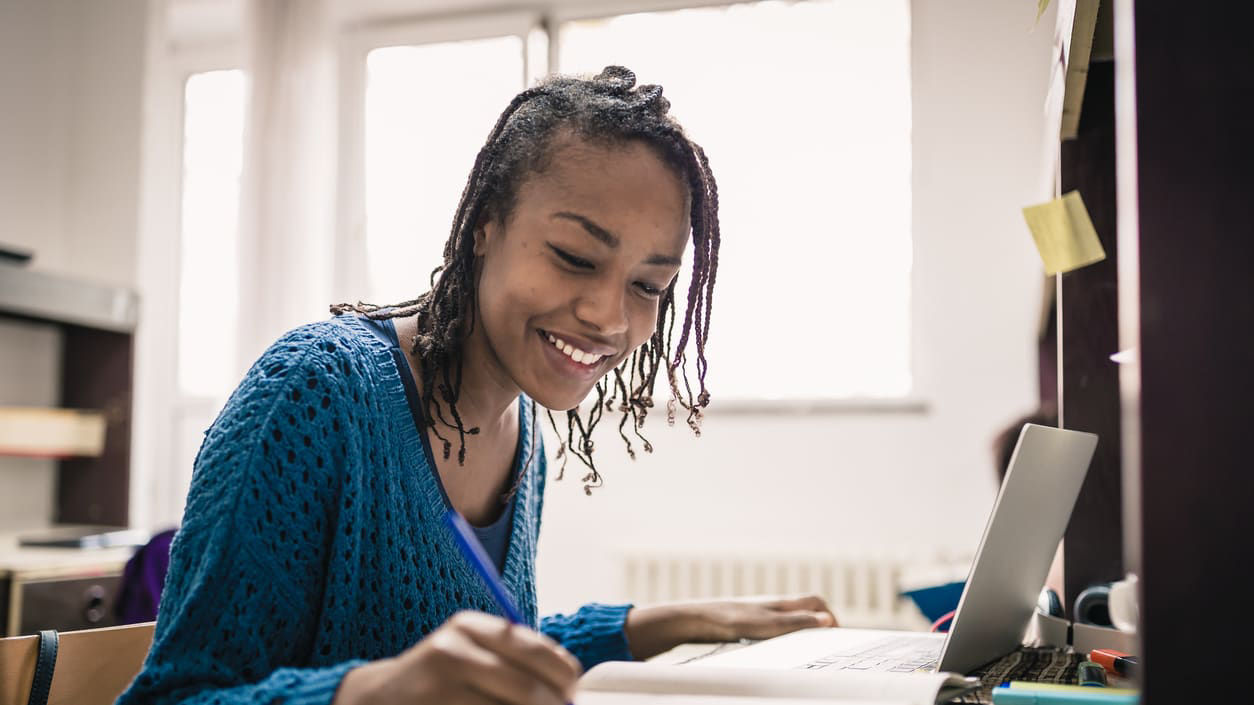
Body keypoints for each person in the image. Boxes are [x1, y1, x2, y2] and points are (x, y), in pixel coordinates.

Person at [118, 66, 837, 705]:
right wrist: (377, 690)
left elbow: (484, 650)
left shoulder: (522, 430)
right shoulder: (314, 394)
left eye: (650, 285)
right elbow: (178, 693)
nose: (609, 316)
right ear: (484, 226)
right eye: (575, 256)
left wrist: (671, 621)